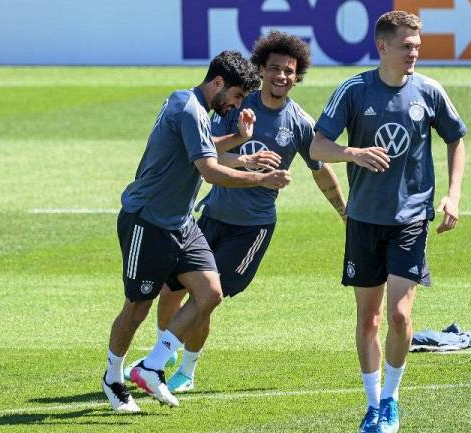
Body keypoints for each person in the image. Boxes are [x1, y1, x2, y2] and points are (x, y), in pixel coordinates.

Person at [126, 31, 346, 394]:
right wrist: (248, 161)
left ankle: (181, 370)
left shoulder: (300, 124)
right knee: (170, 293)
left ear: (297, 75)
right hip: (210, 217)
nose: (282, 76)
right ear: (261, 69)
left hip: (250, 231)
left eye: (289, 71)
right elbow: (205, 152)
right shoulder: (237, 107)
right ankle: (160, 361)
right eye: (274, 68)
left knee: (204, 298)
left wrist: (344, 212)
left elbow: (321, 172)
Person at [102, 50, 291, 413]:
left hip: (180, 223)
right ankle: (113, 376)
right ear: (218, 83)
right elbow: (209, 170)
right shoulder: (189, 108)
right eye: (236, 96)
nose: (236, 104)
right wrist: (262, 178)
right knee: (138, 307)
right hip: (148, 220)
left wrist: (239, 139)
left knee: (210, 292)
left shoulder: (193, 107)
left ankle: (153, 365)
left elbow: (203, 147)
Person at [310, 11, 467, 433]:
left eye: (417, 45)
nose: (414, 52)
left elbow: (455, 137)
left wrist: (452, 194)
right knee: (369, 319)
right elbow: (317, 143)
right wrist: (351, 153)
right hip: (363, 220)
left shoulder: (429, 91)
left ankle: (392, 399)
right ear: (383, 47)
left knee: (399, 315)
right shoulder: (354, 90)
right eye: (406, 46)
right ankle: (372, 402)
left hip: (411, 219)